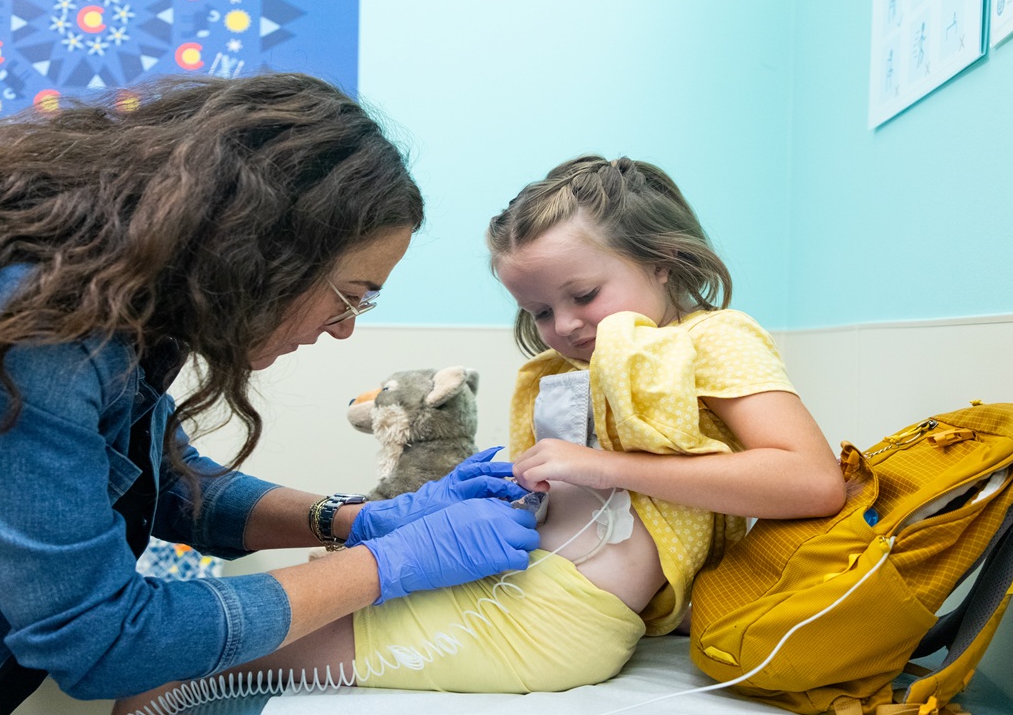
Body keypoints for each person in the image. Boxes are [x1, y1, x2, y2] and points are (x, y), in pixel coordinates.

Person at [0, 72, 541, 715]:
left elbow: (169, 478)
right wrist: (388, 561)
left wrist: (353, 519)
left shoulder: (119, 302)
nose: (342, 330)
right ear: (261, 249)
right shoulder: (17, 324)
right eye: (350, 297)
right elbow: (105, 639)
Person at [114, 154, 846, 710]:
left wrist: (604, 467)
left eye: (583, 296)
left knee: (172, 676)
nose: (564, 328)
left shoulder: (713, 339)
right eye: (538, 312)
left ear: (667, 261)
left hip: (548, 620)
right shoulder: (592, 368)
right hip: (510, 589)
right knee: (172, 672)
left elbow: (809, 481)